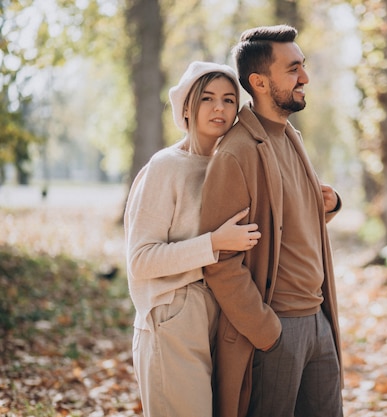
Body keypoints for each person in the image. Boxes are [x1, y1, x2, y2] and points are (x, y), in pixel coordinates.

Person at [198, 25, 343, 417]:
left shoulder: (290, 135)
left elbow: (283, 224)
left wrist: (327, 206)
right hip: (278, 328)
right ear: (260, 82)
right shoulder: (236, 153)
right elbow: (219, 259)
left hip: (319, 320)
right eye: (293, 69)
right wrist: (267, 332)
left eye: (303, 66)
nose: (305, 78)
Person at [124, 61, 261, 417]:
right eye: (208, 99)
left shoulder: (232, 166)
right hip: (173, 310)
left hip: (223, 312)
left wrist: (328, 205)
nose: (219, 108)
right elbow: (140, 260)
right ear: (187, 107)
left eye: (229, 100)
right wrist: (213, 243)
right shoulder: (165, 166)